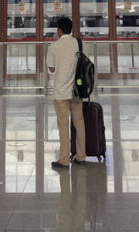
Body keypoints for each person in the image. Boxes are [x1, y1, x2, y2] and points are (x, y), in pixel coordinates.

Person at [46, 15, 86, 169]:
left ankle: (64, 160)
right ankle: (81, 156)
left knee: (63, 125)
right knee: (79, 123)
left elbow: (51, 68)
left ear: (59, 30)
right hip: (76, 91)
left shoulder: (54, 46)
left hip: (61, 92)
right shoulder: (79, 43)